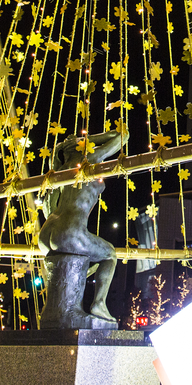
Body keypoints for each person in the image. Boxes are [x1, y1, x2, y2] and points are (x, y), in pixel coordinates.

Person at [38, 130, 123, 323]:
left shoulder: (61, 167)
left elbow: (57, 153)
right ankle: (99, 303)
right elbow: (122, 136)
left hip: (47, 230)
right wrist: (90, 139)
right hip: (69, 230)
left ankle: (55, 311)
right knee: (110, 254)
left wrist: (67, 145)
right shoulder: (90, 158)